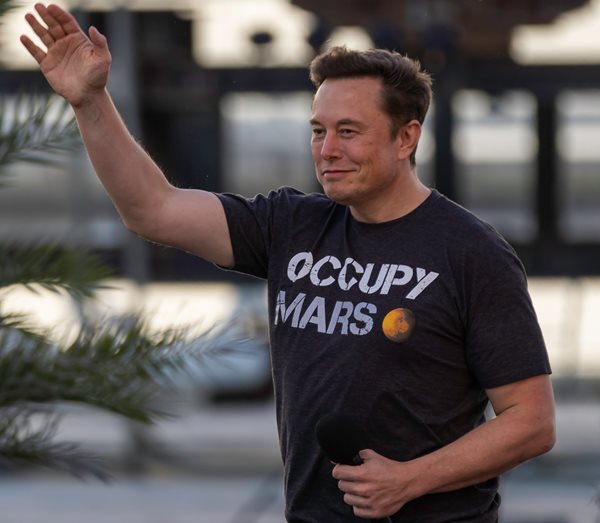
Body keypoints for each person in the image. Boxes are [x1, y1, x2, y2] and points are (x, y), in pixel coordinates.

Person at [21, 4, 556, 522]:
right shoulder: (291, 226)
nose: (327, 150)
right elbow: (153, 211)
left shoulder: (470, 252)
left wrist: (409, 479)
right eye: (319, 131)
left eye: (349, 131)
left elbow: (531, 422)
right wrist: (89, 101)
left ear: (406, 137)